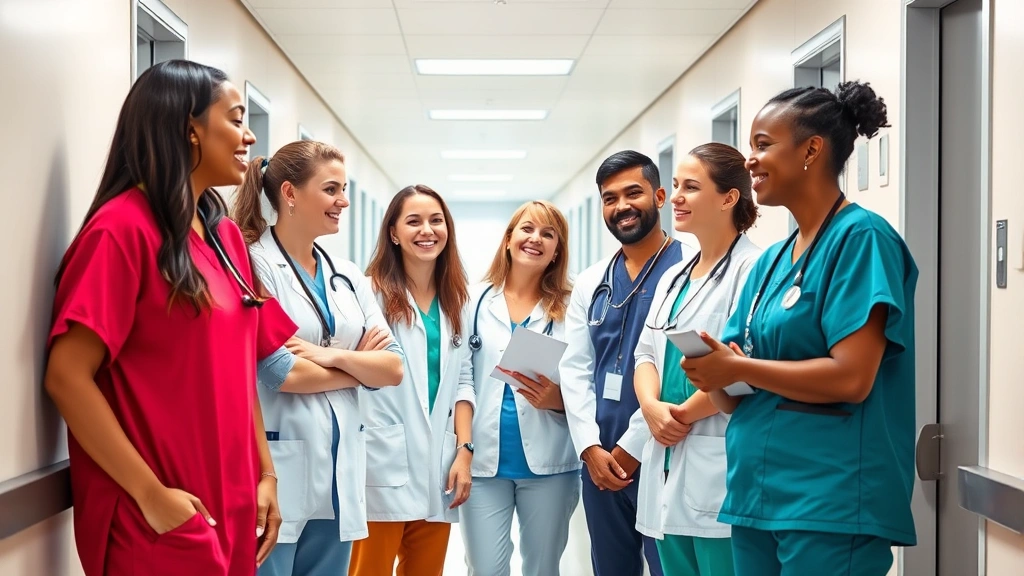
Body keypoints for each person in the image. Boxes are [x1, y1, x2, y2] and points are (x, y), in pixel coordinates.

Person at [43, 60, 300, 576]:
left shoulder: (224, 237)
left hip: (230, 504)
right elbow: (67, 376)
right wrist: (151, 495)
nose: (250, 136)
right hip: (159, 513)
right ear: (189, 129)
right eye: (234, 119)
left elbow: (239, 370)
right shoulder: (121, 231)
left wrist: (265, 475)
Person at [681, 81, 918, 576]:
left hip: (829, 499)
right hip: (755, 494)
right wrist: (716, 375)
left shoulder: (862, 239)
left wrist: (738, 366)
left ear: (812, 149)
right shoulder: (769, 263)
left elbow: (851, 378)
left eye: (764, 144)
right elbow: (738, 393)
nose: (750, 160)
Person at [231, 140, 405, 576]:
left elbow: (395, 367)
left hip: (340, 473)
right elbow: (280, 371)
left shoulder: (348, 275)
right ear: (290, 194)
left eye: (343, 189)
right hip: (281, 466)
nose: (343, 201)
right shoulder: (254, 264)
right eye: (331, 190)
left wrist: (328, 358)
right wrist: (358, 366)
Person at [561, 150, 695, 576]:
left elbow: (675, 369)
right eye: (609, 197)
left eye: (632, 193)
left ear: (658, 196)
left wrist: (631, 449)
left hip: (665, 451)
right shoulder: (591, 280)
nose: (621, 206)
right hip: (600, 461)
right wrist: (588, 447)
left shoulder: (689, 268)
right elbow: (575, 368)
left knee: (668, 568)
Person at [631, 143, 762, 576]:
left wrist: (681, 416)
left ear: (729, 198)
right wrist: (651, 408)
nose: (677, 198)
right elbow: (646, 352)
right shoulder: (674, 275)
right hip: (665, 453)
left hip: (716, 452)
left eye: (691, 187)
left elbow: (747, 363)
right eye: (676, 186)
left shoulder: (753, 269)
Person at [348, 184, 475, 576]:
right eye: (414, 221)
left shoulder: (457, 299)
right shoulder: (369, 294)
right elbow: (362, 369)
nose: (427, 230)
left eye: (436, 220)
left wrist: (465, 450)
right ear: (393, 233)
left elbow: (463, 380)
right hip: (382, 466)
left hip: (439, 467)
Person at [460, 200, 582, 576]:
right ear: (509, 239)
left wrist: (559, 400)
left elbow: (583, 378)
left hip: (551, 464)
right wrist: (463, 450)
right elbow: (461, 377)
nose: (536, 239)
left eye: (548, 234)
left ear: (557, 250)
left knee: (543, 568)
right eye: (527, 229)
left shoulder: (572, 305)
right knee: (485, 569)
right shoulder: (471, 301)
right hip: (482, 466)